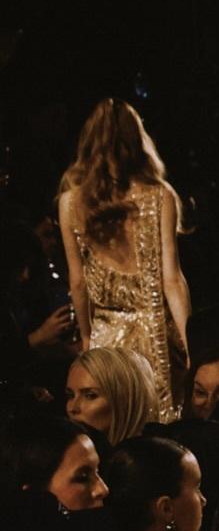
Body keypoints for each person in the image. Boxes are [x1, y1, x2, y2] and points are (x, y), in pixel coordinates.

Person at [56, 100, 190, 419]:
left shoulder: (71, 203)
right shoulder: (160, 196)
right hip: (155, 337)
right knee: (158, 425)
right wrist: (188, 339)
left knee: (111, 423)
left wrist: (87, 337)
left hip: (106, 336)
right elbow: (172, 278)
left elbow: (78, 282)